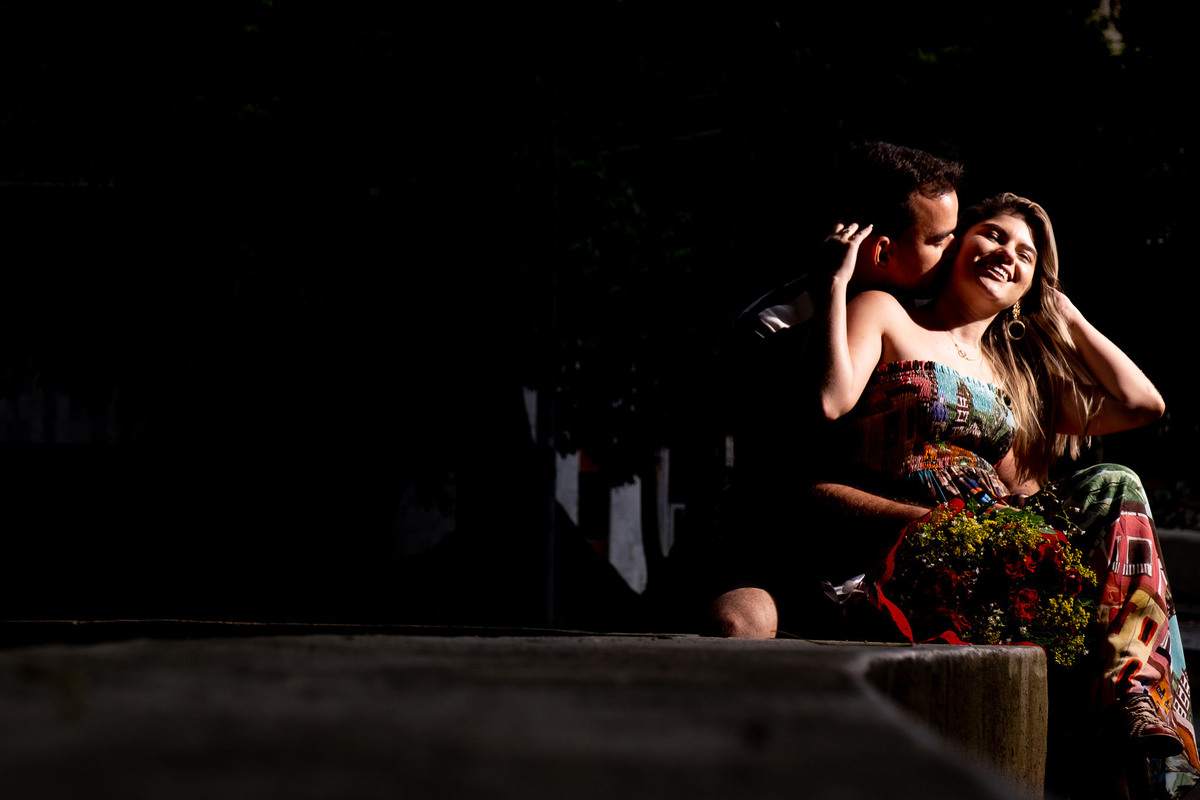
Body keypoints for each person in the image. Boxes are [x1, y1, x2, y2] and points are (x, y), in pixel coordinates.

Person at [819, 192, 1197, 799]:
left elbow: (1141, 403)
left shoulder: (1020, 379)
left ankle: (1136, 698)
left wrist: (1064, 311)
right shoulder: (888, 313)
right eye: (993, 235)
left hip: (1005, 544)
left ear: (1031, 287)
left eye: (1026, 254)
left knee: (1116, 483)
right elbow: (831, 400)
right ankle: (1131, 709)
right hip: (920, 539)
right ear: (958, 243)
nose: (1007, 255)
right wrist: (838, 282)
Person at [710, 141, 962, 638]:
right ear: (883, 251)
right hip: (792, 553)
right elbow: (789, 485)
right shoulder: (773, 329)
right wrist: (932, 523)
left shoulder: (930, 315)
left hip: (893, 552)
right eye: (939, 239)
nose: (955, 248)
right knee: (737, 625)